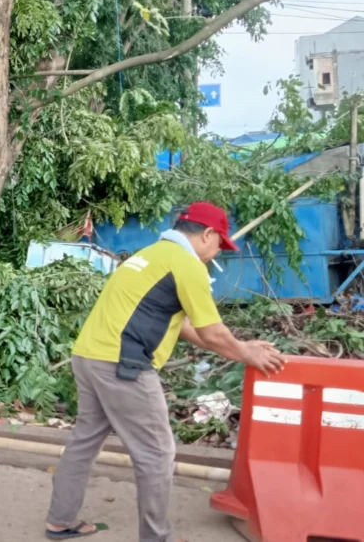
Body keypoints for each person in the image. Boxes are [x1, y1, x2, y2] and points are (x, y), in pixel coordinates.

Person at [44, 202, 286, 542]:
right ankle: (156, 537)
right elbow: (213, 331)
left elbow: (188, 325)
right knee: (157, 453)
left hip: (88, 356)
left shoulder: (151, 255)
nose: (217, 253)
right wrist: (246, 353)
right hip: (123, 365)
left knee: (84, 441)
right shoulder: (187, 265)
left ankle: (60, 520)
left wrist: (239, 345)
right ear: (207, 235)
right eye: (220, 244)